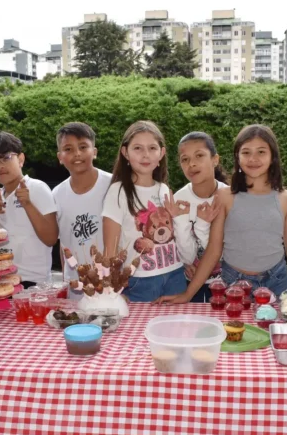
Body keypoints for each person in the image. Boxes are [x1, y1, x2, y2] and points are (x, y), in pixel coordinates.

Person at [158, 124, 287, 303]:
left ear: (273, 156)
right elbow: (213, 250)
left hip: (276, 282)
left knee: (271, 331)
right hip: (233, 284)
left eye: (261, 152)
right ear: (237, 157)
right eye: (246, 152)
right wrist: (188, 294)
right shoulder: (225, 196)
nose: (253, 158)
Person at [102, 120, 186, 302]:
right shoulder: (118, 191)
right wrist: (111, 289)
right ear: (125, 153)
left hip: (176, 276)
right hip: (140, 281)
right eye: (138, 148)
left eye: (152, 148)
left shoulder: (164, 189)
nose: (145, 155)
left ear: (162, 153)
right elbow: (110, 249)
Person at [0, 132, 58, 288]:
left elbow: (51, 238)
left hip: (33, 283)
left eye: (6, 158)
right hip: (1, 280)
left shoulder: (37, 188)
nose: (0, 166)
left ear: (21, 159)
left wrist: (27, 204)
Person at [51, 123, 112, 296]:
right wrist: (66, 280)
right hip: (77, 286)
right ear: (60, 157)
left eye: (83, 147)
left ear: (94, 151)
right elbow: (63, 243)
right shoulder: (56, 195)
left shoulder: (113, 185)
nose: (77, 154)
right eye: (68, 149)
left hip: (111, 282)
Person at [167, 131, 228, 302]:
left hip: (226, 283)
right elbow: (184, 253)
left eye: (199, 155)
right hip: (189, 282)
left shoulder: (228, 196)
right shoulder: (179, 200)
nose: (191, 164)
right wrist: (185, 263)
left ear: (215, 159)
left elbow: (223, 249)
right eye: (184, 159)